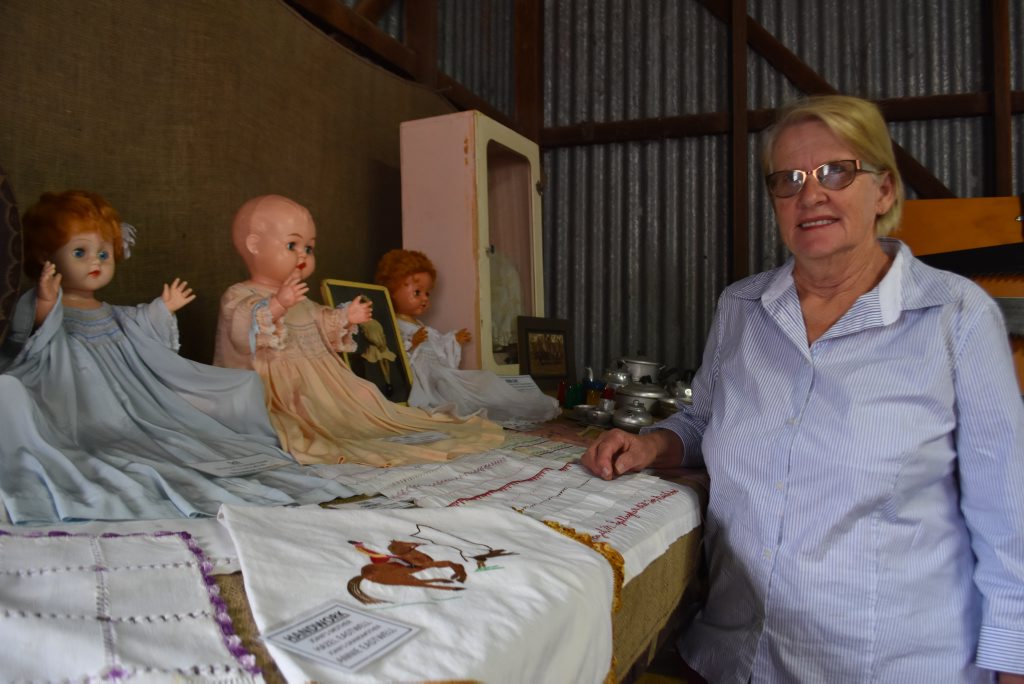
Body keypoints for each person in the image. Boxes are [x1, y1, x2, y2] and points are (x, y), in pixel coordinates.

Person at [582, 95, 1024, 682]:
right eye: (788, 180)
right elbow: (703, 419)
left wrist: (1012, 658)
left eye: (835, 172)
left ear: (884, 191)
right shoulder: (742, 307)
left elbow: (1006, 510)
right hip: (737, 653)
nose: (809, 194)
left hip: (890, 663)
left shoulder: (955, 315)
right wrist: (652, 445)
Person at [0, 190, 353, 523]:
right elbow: (30, 338)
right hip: (76, 395)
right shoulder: (49, 304)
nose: (96, 261)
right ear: (48, 258)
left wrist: (161, 309)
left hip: (133, 395)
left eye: (104, 253)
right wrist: (47, 301)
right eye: (80, 252)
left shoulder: (110, 312)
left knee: (241, 384)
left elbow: (136, 325)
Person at [213, 195, 504, 466]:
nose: (303, 255)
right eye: (292, 246)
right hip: (279, 390)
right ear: (254, 245)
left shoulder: (304, 301)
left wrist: (345, 317)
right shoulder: (240, 294)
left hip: (324, 385)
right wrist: (277, 305)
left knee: (366, 397)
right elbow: (243, 333)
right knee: (292, 419)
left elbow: (322, 324)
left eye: (309, 248)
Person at [375, 248, 560, 424]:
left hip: (442, 374)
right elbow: (392, 357)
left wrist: (453, 341)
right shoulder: (393, 325)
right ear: (391, 290)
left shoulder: (419, 325)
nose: (425, 299)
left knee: (485, 379)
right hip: (426, 381)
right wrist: (412, 344)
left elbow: (437, 347)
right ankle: (513, 406)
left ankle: (528, 404)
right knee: (454, 393)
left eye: (427, 293)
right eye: (417, 292)